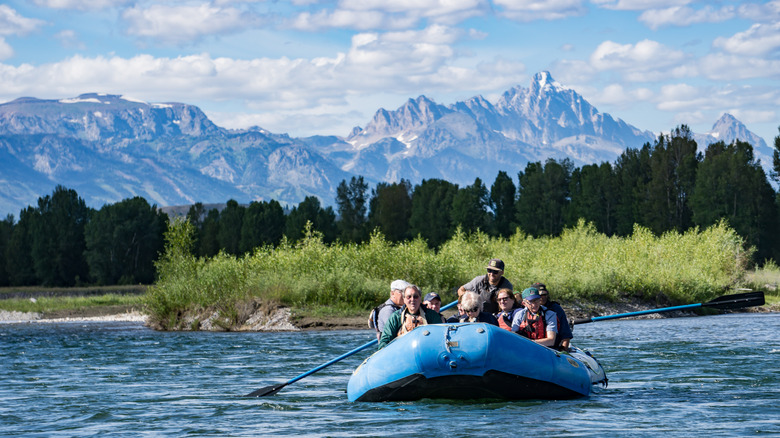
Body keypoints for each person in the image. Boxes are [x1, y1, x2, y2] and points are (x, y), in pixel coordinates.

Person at [379, 285, 443, 348]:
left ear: (420, 298)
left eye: (415, 297)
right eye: (409, 297)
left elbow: (440, 337)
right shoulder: (395, 317)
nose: (412, 299)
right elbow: (385, 341)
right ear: (404, 299)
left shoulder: (432, 315)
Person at [533, 282, 573, 351]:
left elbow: (565, 334)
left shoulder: (555, 309)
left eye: (544, 294)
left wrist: (563, 351)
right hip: (531, 346)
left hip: (551, 349)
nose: (542, 297)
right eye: (540, 295)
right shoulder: (523, 311)